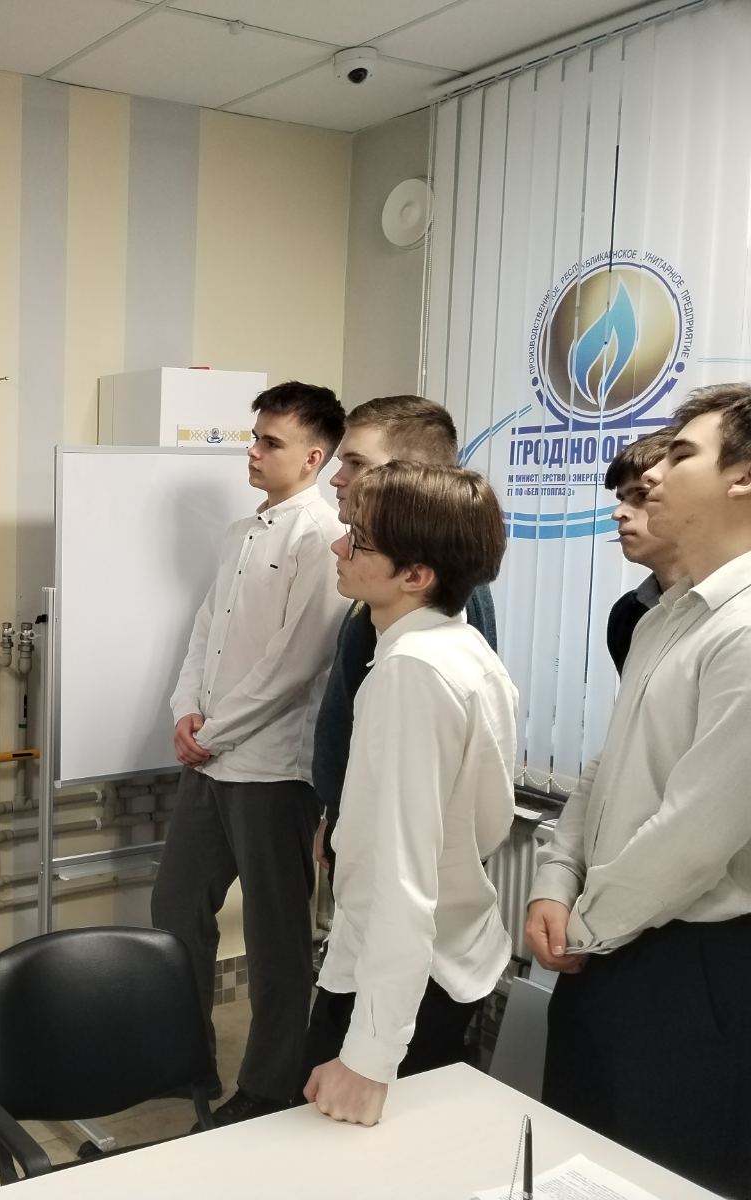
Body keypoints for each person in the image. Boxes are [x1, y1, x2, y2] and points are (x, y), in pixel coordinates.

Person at [527, 384, 751, 1200]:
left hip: (690, 964)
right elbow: (606, 765)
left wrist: (585, 924)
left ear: (743, 478)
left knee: (664, 1174)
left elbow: (696, 833)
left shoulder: (744, 629)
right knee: (578, 1156)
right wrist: (555, 879)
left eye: (682, 454)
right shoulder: (667, 615)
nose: (651, 473)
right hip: (612, 939)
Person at [154, 380, 347, 1126]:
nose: (254, 451)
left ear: (313, 457)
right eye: (254, 437)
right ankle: (183, 1063)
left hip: (272, 772)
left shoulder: (321, 535)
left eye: (271, 442)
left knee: (275, 939)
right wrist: (185, 711)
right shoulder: (242, 532)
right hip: (210, 762)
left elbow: (295, 664)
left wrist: (213, 732)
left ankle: (269, 1086)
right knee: (176, 906)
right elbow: (205, 631)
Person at [301, 463, 516, 1127]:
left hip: (399, 988)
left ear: (416, 575)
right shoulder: (463, 649)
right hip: (445, 964)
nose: (338, 546)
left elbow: (402, 880)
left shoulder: (411, 674)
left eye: (358, 540)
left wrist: (369, 1056)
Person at [313, 395, 497, 874]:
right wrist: (336, 815)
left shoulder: (441, 610)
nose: (337, 478)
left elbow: (421, 789)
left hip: (394, 849)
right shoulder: (382, 583)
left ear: (411, 475)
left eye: (357, 464)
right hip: (360, 823)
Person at [602, 429, 683, 672]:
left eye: (642, 495)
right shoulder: (628, 614)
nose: (618, 513)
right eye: (621, 498)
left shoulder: (737, 610)